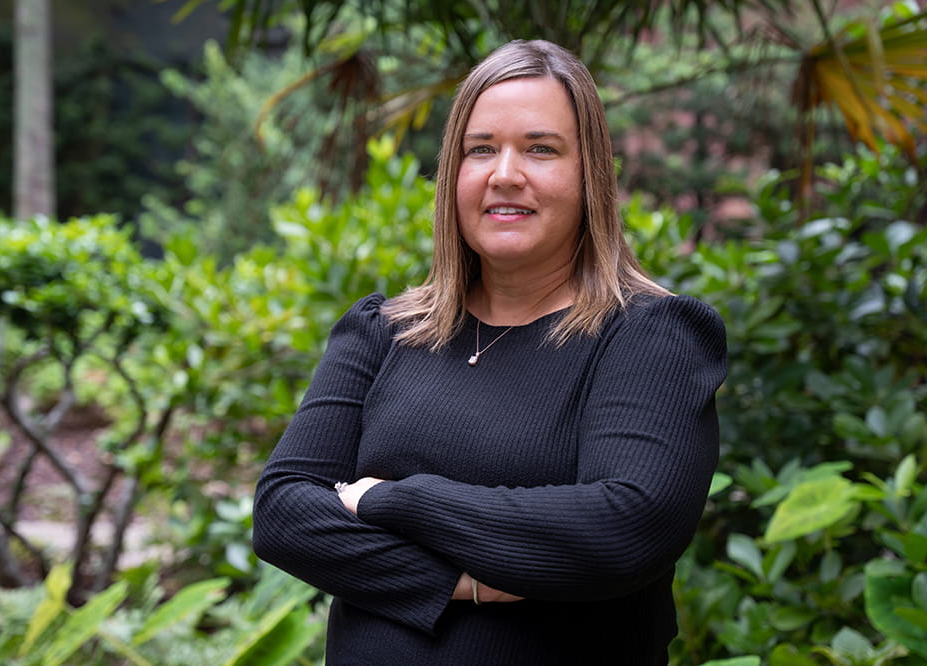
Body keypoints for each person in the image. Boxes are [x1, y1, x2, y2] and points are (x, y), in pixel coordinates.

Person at [253, 39, 727, 665]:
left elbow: (622, 529)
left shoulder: (650, 337)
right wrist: (463, 583)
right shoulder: (383, 331)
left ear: (593, 175)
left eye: (540, 148)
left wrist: (388, 499)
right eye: (481, 149)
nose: (505, 173)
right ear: (453, 175)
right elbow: (284, 512)